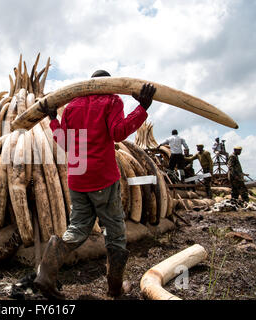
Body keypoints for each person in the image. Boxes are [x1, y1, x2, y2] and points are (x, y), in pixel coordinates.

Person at [34, 69, 156, 299]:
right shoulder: (112, 100)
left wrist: (53, 120)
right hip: (103, 178)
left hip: (78, 179)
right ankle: (114, 290)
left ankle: (46, 275)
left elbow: (66, 144)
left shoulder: (71, 107)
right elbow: (119, 133)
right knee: (115, 232)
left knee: (77, 228)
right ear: (108, 84)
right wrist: (142, 108)